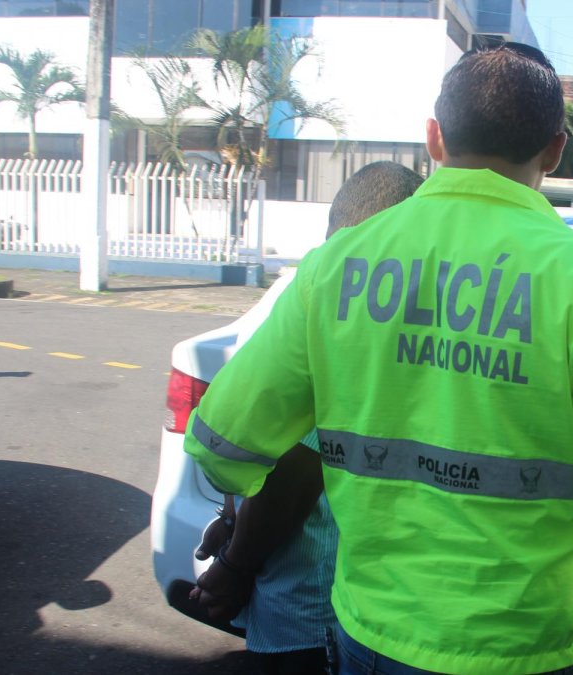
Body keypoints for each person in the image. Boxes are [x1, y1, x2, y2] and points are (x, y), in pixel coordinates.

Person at [184, 42, 573, 675]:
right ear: (554, 149)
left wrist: (231, 500)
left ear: (435, 138)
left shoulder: (336, 266)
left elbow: (223, 443)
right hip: (518, 648)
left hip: (372, 636)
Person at [189, 161, 425, 675]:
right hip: (315, 608)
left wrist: (234, 552)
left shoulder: (309, 291)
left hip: (310, 607)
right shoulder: (368, 300)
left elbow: (290, 460)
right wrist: (235, 552)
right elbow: (293, 463)